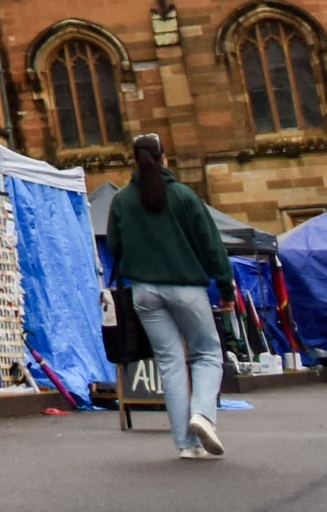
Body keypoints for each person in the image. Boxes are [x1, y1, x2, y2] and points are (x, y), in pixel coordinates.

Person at [111, 132, 234, 460]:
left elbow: (114, 246)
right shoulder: (183, 195)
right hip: (185, 286)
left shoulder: (122, 199)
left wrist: (135, 265)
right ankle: (203, 415)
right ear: (165, 157)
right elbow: (211, 246)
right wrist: (226, 288)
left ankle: (185, 444)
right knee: (207, 353)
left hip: (143, 291)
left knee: (170, 363)